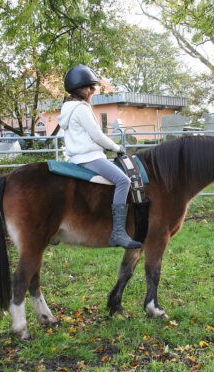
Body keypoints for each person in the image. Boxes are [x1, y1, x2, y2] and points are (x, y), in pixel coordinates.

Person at [59, 64, 141, 249]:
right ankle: (118, 233)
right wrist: (117, 148)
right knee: (123, 181)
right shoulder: (81, 109)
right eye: (90, 87)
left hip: (76, 158)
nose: (92, 90)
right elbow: (96, 135)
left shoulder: (67, 108)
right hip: (90, 158)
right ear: (82, 89)